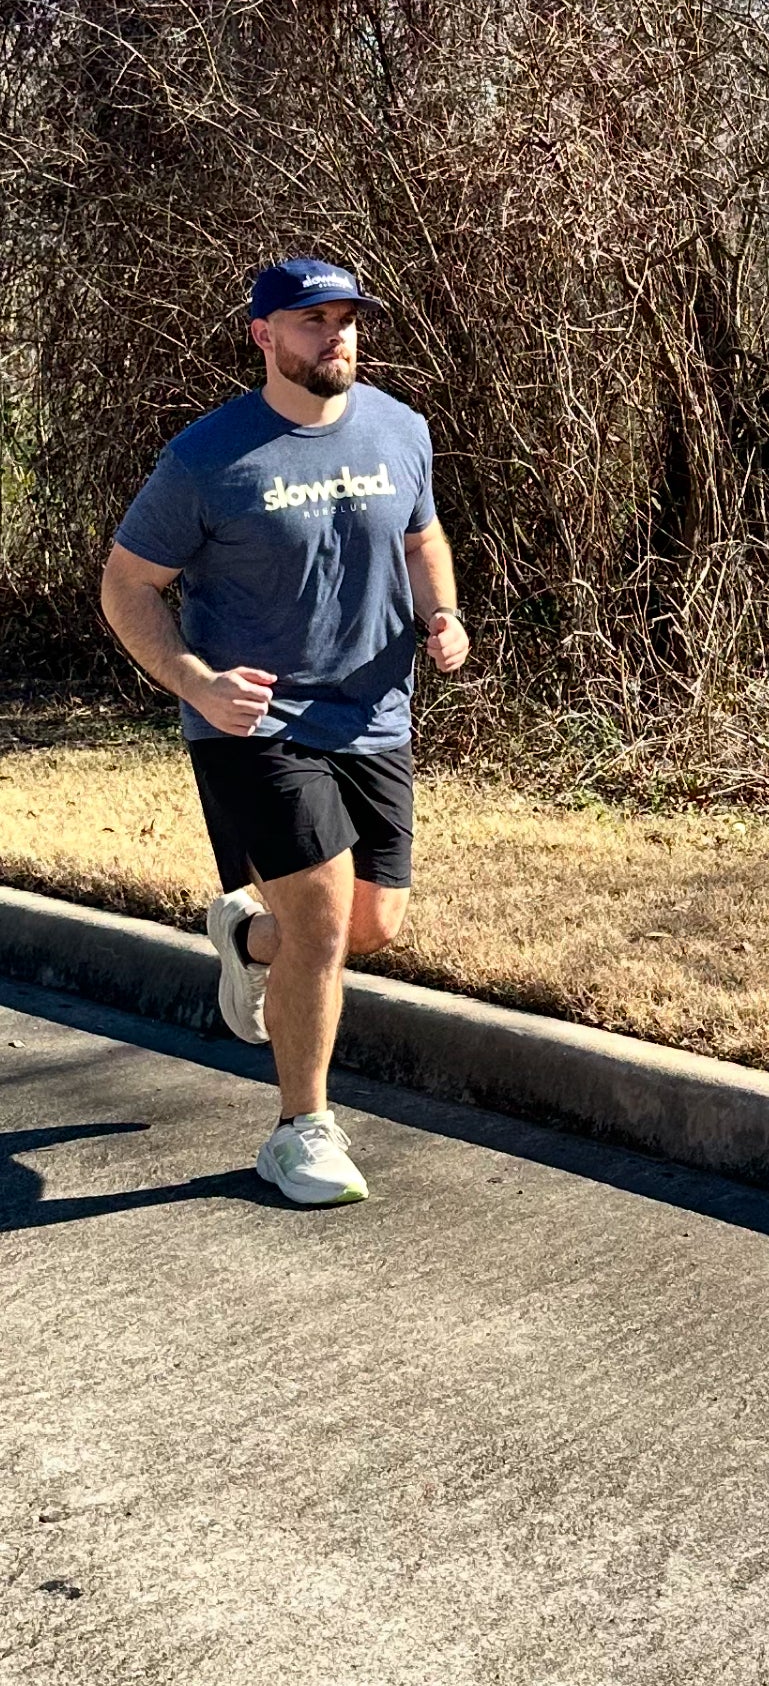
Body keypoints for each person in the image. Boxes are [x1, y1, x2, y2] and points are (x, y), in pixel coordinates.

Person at [100, 256, 469, 1207]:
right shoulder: (207, 458)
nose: (334, 337)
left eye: (346, 320)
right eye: (310, 323)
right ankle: (300, 1131)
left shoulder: (401, 430)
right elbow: (127, 585)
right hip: (253, 721)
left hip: (375, 712)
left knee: (368, 928)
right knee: (321, 921)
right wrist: (195, 682)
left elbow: (421, 537)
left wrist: (441, 616)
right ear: (264, 337)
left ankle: (244, 938)